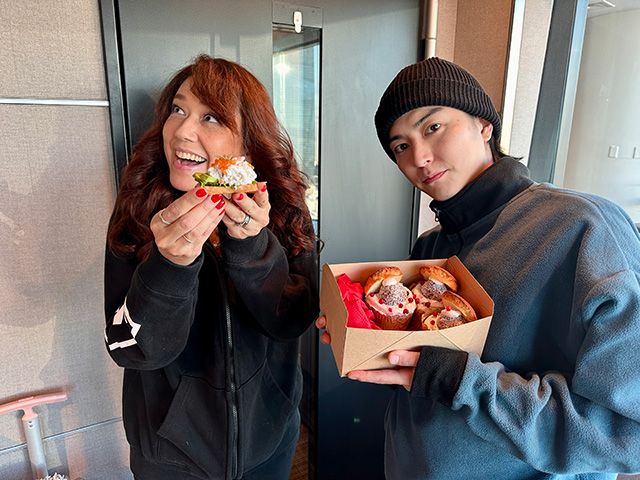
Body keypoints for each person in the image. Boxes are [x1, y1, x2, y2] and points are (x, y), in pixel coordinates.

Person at [316, 57, 640, 479]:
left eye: (433, 127)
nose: (420, 157)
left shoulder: (581, 227)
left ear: (484, 125)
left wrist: (463, 382)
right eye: (401, 146)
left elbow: (625, 434)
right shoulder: (431, 248)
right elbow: (423, 374)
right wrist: (367, 340)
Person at [104, 55, 319, 480]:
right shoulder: (139, 210)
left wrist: (253, 247)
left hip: (269, 440)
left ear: (247, 145)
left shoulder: (282, 209)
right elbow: (130, 349)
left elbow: (293, 320)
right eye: (178, 109)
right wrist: (169, 265)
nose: (182, 131)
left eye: (212, 118)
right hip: (170, 457)